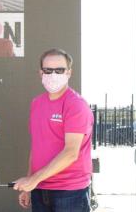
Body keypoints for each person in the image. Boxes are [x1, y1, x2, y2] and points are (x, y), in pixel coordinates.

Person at [13, 49, 93, 211]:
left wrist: (33, 180)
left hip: (70, 192)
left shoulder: (75, 105)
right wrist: (30, 183)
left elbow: (71, 152)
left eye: (59, 70)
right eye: (48, 70)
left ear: (69, 72)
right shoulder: (37, 103)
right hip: (40, 188)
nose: (53, 75)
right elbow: (36, 147)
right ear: (40, 73)